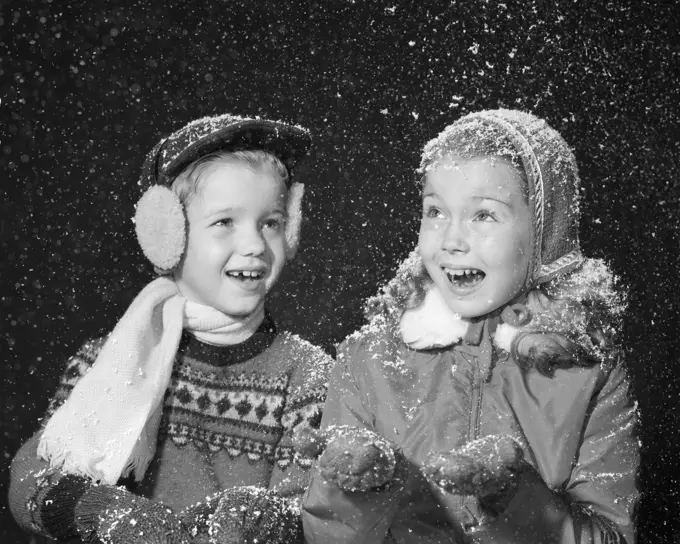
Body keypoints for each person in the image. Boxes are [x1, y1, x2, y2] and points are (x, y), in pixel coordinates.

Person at [298, 109, 639, 543]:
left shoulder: (591, 375)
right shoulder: (366, 361)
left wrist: (512, 497)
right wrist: (359, 489)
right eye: (435, 211)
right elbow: (326, 537)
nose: (451, 240)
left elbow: (611, 537)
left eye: (483, 215)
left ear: (544, 234)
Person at [9, 114, 333, 544]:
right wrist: (101, 511)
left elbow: (311, 513)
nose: (255, 244)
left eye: (270, 222)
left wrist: (263, 519)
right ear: (167, 233)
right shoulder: (106, 362)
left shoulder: (308, 377)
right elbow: (30, 480)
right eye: (224, 222)